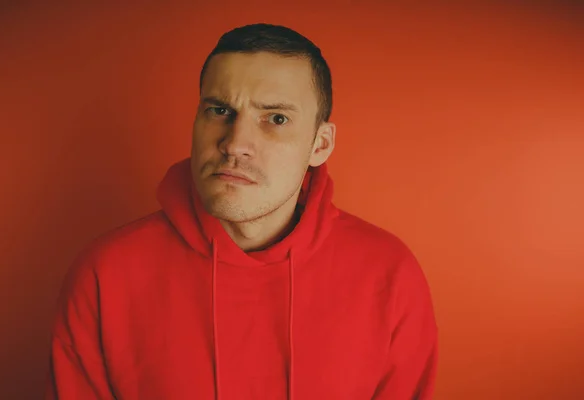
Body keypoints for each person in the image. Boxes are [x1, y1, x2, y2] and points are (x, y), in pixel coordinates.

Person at [45, 23, 438, 399]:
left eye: (276, 118)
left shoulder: (389, 275)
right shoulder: (105, 274)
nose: (235, 143)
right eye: (219, 111)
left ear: (320, 144)